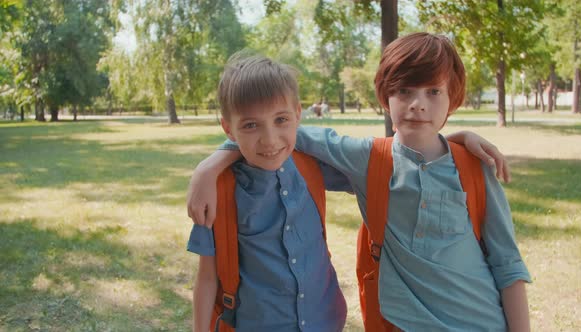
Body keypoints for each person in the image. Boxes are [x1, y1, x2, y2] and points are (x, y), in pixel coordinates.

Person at [188, 33, 530, 331]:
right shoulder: (368, 160)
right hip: (402, 324)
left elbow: (508, 265)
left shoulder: (475, 166)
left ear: (453, 98)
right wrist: (211, 165)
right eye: (405, 90)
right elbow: (279, 133)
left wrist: (459, 139)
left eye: (433, 92)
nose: (417, 104)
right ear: (385, 96)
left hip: (482, 322)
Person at [188, 52, 350, 332]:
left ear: (298, 114)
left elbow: (385, 163)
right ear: (229, 129)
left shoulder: (313, 165)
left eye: (281, 120)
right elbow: (206, 278)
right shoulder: (219, 191)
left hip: (326, 321)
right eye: (251, 125)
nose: (270, 140)